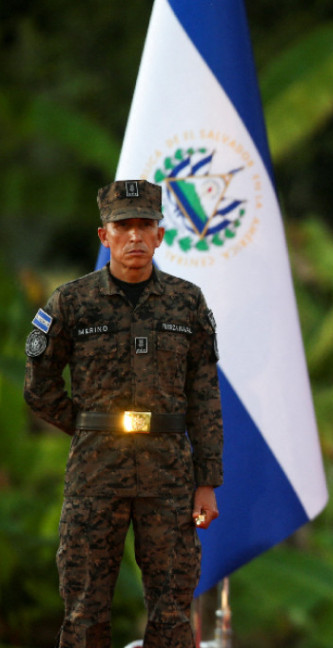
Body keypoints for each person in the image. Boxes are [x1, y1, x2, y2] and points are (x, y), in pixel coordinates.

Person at [24, 179, 223, 648]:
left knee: (173, 615)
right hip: (96, 477)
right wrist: (89, 425)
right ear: (104, 236)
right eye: (123, 226)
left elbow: (204, 395)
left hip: (169, 477)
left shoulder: (187, 302)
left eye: (144, 225)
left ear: (160, 235)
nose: (134, 236)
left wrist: (207, 481)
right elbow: (39, 385)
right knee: (83, 612)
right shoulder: (70, 303)